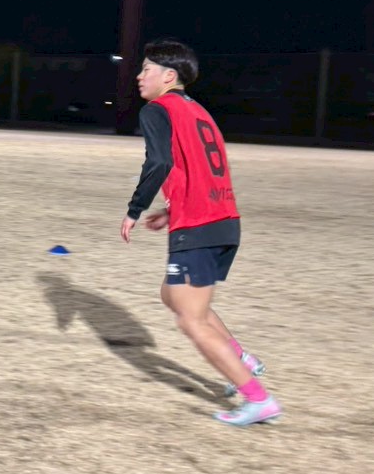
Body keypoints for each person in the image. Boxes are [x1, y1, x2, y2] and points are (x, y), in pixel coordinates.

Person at [119, 38, 282, 427]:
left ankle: (258, 400)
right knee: (172, 295)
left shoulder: (157, 109)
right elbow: (202, 169)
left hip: (200, 226)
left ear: (168, 76)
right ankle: (240, 357)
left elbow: (158, 162)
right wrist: (170, 210)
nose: (139, 76)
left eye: (146, 69)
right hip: (224, 220)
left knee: (190, 320)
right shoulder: (198, 111)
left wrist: (135, 209)